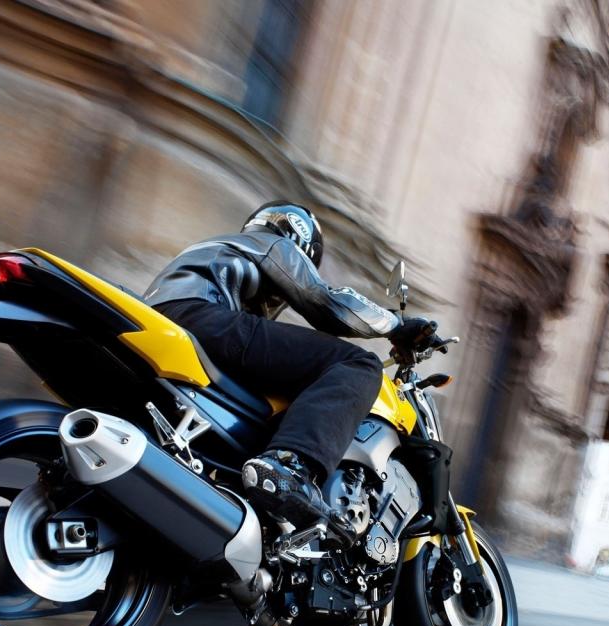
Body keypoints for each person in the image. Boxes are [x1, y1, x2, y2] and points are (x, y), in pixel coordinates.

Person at [143, 201, 433, 545]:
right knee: (358, 364)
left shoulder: (216, 250)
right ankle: (290, 466)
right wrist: (396, 325)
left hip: (175, 324)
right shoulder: (271, 245)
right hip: (202, 318)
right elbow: (324, 301)